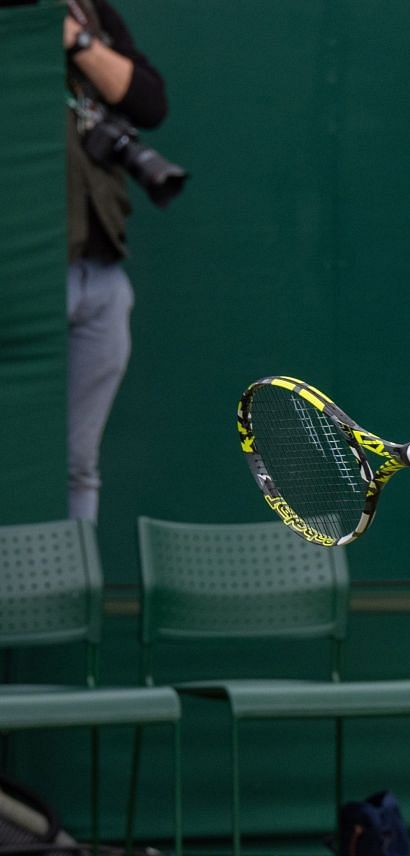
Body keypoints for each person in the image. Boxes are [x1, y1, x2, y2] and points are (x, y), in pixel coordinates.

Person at [59, 0, 167, 522]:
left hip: (99, 272)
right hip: (26, 274)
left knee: (78, 464)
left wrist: (76, 41)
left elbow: (148, 101)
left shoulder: (86, 10)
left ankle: (70, 598)